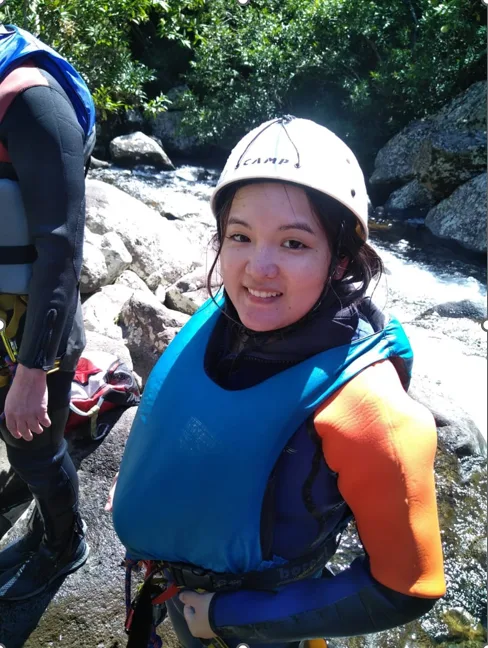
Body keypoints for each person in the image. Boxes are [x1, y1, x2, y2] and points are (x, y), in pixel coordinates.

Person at [111, 116, 446, 648]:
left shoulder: (371, 411)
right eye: (240, 236)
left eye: (293, 243)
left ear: (339, 260)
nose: (256, 269)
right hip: (175, 586)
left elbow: (408, 588)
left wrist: (224, 616)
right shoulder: (222, 319)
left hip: (255, 614)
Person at [0, 14, 95, 600]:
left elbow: (63, 247)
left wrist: (33, 372)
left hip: (34, 327)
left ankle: (65, 541)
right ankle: (30, 487)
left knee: (36, 445)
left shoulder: (31, 97)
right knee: (13, 437)